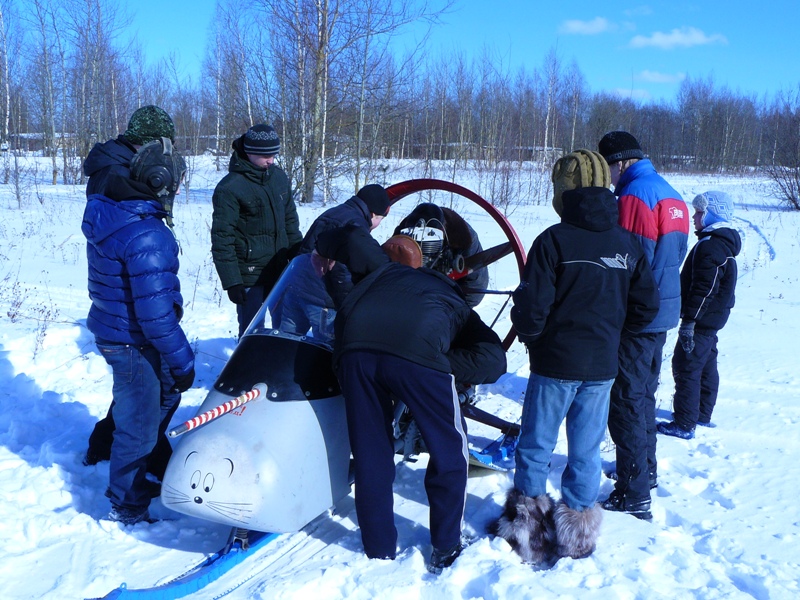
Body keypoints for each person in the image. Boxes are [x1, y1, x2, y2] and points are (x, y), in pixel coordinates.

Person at [492, 151, 659, 565]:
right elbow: (646, 308)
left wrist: (534, 338)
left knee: (535, 447)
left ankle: (528, 532)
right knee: (585, 450)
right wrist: (613, 335)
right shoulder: (626, 242)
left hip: (555, 365)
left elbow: (531, 310)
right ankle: (578, 539)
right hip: (602, 367)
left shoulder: (553, 240)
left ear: (563, 192)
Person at [314, 225, 507, 574]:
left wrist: (321, 250)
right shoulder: (454, 298)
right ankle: (446, 547)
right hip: (418, 353)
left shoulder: (379, 271)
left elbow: (348, 236)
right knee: (450, 451)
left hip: (353, 347)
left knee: (371, 451)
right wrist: (439, 362)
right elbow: (494, 361)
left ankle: (379, 547)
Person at [82, 137, 195, 525]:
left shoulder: (117, 210)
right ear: (161, 181)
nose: (180, 189)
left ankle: (149, 464)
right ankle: (127, 502)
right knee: (139, 425)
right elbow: (156, 317)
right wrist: (183, 361)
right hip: (132, 341)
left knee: (163, 396)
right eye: (177, 181)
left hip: (121, 332)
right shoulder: (147, 232)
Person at [81, 105, 179, 476]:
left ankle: (118, 445)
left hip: (131, 281)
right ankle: (123, 456)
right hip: (127, 291)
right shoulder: (116, 171)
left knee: (139, 387)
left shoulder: (118, 162)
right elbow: (122, 228)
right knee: (139, 389)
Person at [597, 131, 689, 520]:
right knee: (644, 395)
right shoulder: (671, 194)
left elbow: (628, 262)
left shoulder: (634, 197)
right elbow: (673, 257)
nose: (610, 180)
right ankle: (645, 472)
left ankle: (632, 491)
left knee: (627, 401)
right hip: (664, 312)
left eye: (609, 170)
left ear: (621, 163)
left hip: (637, 316)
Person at [658, 191, 740, 438]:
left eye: (699, 212)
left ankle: (684, 423)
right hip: (711, 321)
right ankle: (701, 414)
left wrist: (690, 321)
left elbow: (705, 288)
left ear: (712, 214)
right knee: (704, 365)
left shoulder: (711, 246)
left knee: (686, 366)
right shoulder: (719, 243)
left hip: (702, 321)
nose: (694, 217)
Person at [211, 124, 303, 338]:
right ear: (249, 151)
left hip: (281, 268)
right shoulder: (230, 187)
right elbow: (222, 238)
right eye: (264, 155)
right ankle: (247, 369)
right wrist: (232, 281)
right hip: (249, 274)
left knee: (286, 326)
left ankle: (279, 365)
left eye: (273, 154)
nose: (270, 160)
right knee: (252, 330)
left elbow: (290, 221)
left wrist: (299, 255)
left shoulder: (279, 177)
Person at [279, 184, 391, 337]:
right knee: (327, 352)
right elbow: (341, 274)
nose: (378, 225)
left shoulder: (333, 212)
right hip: (323, 302)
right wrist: (346, 308)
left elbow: (305, 249)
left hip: (296, 292)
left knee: (286, 345)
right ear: (372, 214)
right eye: (380, 219)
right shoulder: (354, 227)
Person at [395, 203, 489, 307]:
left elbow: (475, 287)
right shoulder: (403, 229)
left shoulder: (464, 238)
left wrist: (459, 309)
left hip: (457, 289)